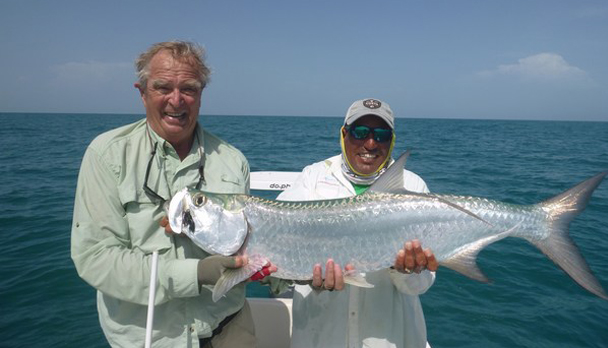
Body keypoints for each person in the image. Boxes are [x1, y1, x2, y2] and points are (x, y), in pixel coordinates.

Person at [71, 41, 273, 348]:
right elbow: (95, 257)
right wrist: (195, 274)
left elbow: (248, 249)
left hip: (229, 329)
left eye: (188, 89)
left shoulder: (233, 160)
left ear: (201, 95)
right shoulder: (107, 155)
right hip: (150, 338)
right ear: (142, 92)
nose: (176, 100)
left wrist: (290, 273)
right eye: (163, 87)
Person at [277, 98, 438, 348]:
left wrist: (406, 272)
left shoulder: (413, 187)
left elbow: (421, 284)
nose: (370, 143)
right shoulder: (312, 178)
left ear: (392, 140)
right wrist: (305, 277)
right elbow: (279, 246)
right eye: (360, 132)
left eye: (381, 134)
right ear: (344, 134)